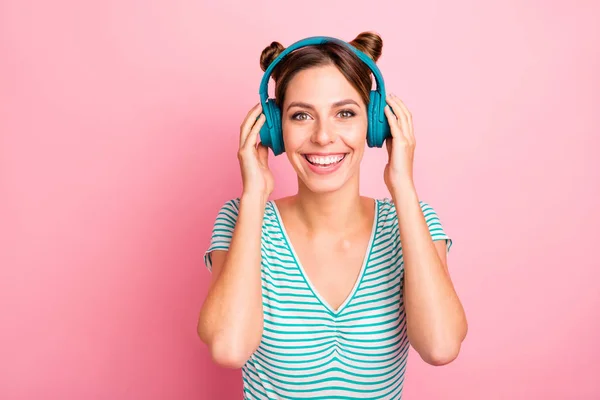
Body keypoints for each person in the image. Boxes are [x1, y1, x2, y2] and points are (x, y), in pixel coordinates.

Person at [197, 31, 468, 399]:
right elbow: (229, 348)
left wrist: (402, 184)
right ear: (274, 129)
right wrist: (255, 194)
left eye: (345, 113)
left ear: (375, 124)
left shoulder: (410, 222)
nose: (324, 136)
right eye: (301, 115)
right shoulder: (241, 219)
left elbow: (440, 346)